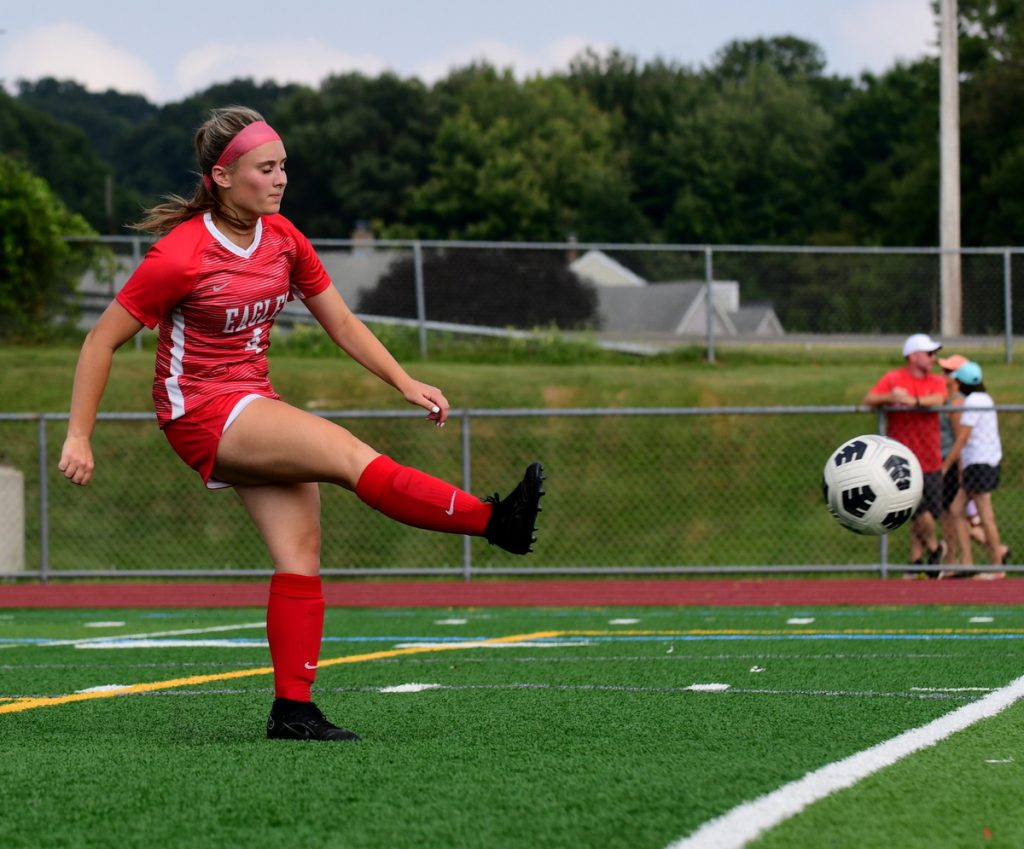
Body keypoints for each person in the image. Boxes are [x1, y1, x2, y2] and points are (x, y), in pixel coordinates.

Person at [57, 106, 546, 742]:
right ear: (221, 177)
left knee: (300, 555)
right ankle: (494, 522)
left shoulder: (284, 238)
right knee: (346, 454)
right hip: (200, 411)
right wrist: (79, 434)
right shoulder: (180, 255)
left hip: (252, 401)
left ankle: (293, 711)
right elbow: (100, 340)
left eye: (283, 166)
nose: (281, 178)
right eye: (265, 168)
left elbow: (340, 321)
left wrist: (404, 381)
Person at [862, 333, 948, 576]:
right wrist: (891, 397)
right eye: (929, 354)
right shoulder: (894, 378)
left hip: (930, 458)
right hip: (900, 462)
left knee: (927, 515)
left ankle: (916, 561)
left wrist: (914, 401)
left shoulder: (936, 381)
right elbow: (869, 399)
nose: (934, 359)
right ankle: (935, 549)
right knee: (916, 510)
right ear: (913, 356)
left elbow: (939, 399)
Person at [940, 361, 1007, 580]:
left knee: (985, 515)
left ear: (962, 382)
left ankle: (997, 565)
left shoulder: (972, 402)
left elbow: (963, 437)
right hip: (982, 461)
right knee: (956, 509)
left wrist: (946, 465)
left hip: (979, 463)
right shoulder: (985, 398)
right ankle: (967, 562)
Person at [937, 353, 968, 564]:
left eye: (948, 372)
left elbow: (960, 440)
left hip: (951, 464)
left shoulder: (957, 402)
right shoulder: (947, 399)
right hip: (943, 461)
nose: (943, 375)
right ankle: (951, 559)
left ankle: (953, 559)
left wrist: (950, 467)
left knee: (952, 514)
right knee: (946, 513)